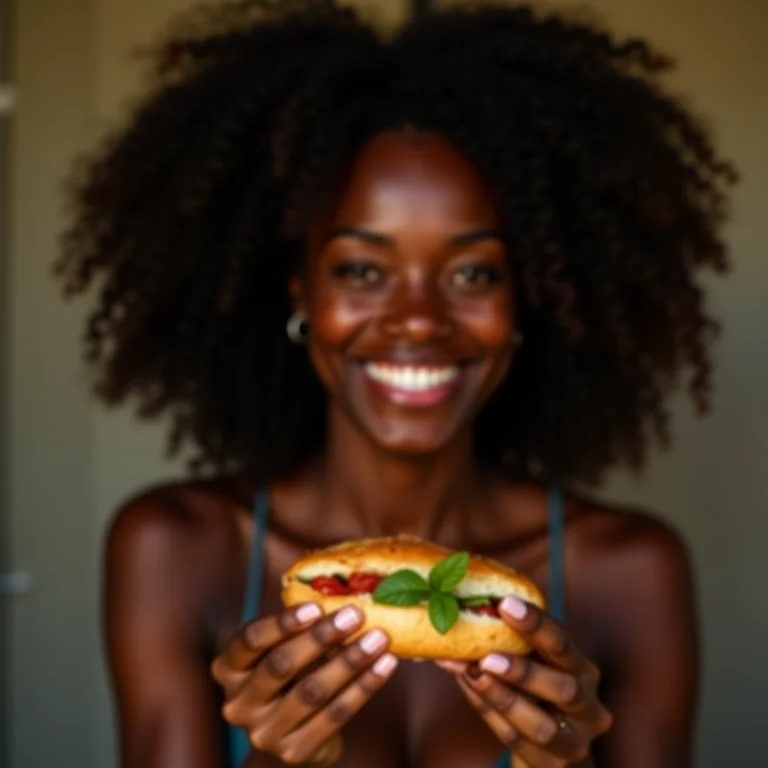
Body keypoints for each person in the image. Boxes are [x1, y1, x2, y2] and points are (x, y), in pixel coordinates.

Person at [56, 1, 736, 766]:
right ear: (299, 294)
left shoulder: (629, 569)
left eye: (473, 272)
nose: (417, 319)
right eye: (361, 270)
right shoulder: (177, 549)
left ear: (525, 300)